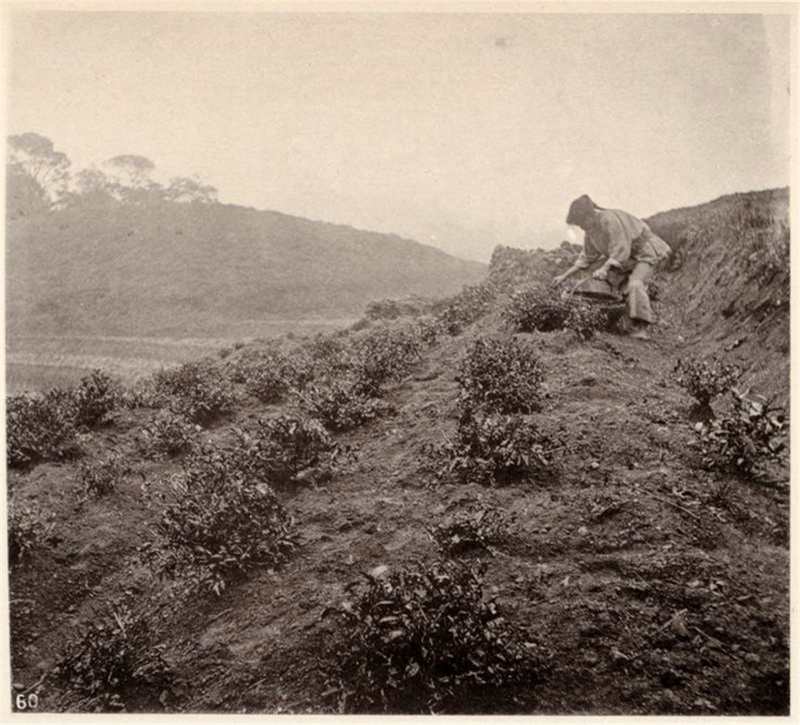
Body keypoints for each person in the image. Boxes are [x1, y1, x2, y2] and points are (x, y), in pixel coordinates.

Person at [553, 195, 671, 340]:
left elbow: (621, 249)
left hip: (646, 253)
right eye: (579, 225)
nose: (581, 227)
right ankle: (606, 312)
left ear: (590, 214)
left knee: (634, 284)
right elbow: (586, 258)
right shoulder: (591, 231)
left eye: (582, 222)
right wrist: (564, 276)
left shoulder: (609, 220)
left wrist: (604, 269)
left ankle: (641, 328)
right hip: (626, 258)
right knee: (593, 271)